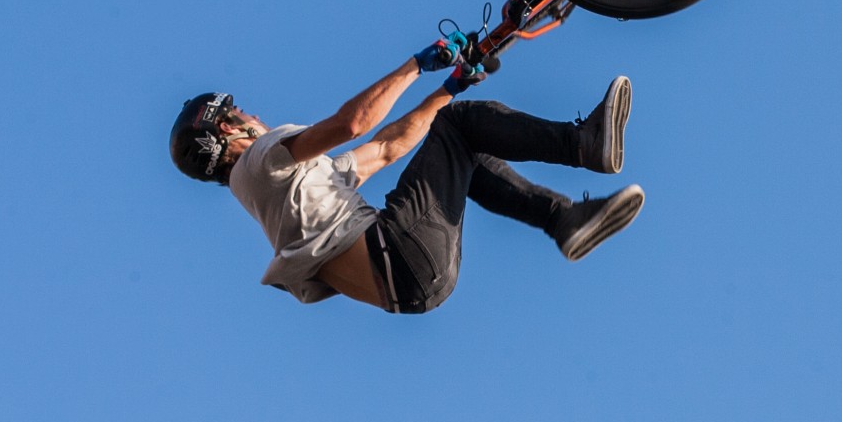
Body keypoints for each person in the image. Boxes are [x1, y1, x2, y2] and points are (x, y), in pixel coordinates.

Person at [167, 33, 643, 314]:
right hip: (398, 252)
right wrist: (417, 64)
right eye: (240, 112)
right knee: (459, 126)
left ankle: (564, 220)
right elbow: (353, 124)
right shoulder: (261, 158)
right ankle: (583, 145)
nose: (252, 115)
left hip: (419, 284)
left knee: (461, 142)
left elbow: (388, 147)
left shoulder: (282, 192)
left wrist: (450, 85)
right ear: (225, 129)